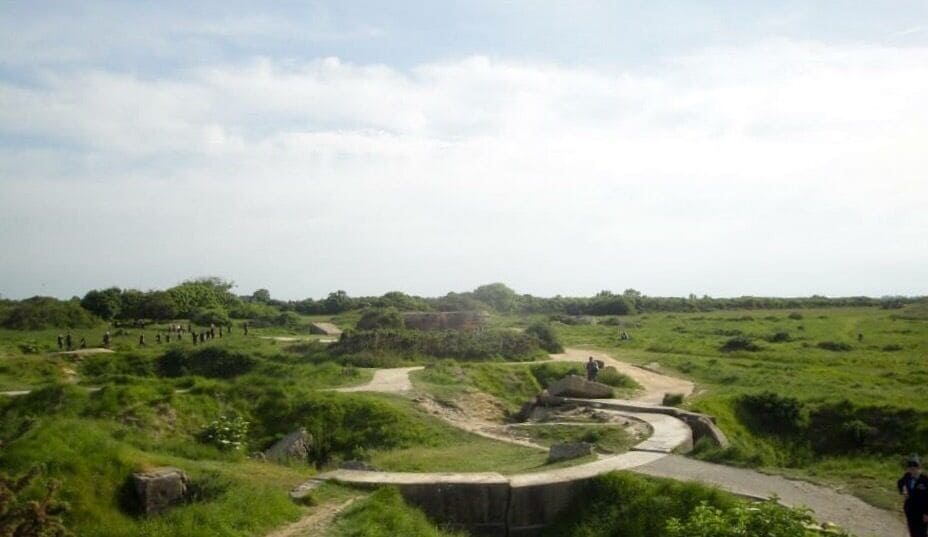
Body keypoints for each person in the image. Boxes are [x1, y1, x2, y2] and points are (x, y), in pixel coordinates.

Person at [898, 456, 928, 537]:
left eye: (914, 469)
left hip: (922, 512)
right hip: (910, 509)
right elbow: (900, 483)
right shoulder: (907, 476)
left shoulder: (925, 479)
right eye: (910, 469)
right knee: (912, 531)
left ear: (919, 468)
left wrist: (927, 513)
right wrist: (903, 490)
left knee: (921, 533)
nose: (912, 471)